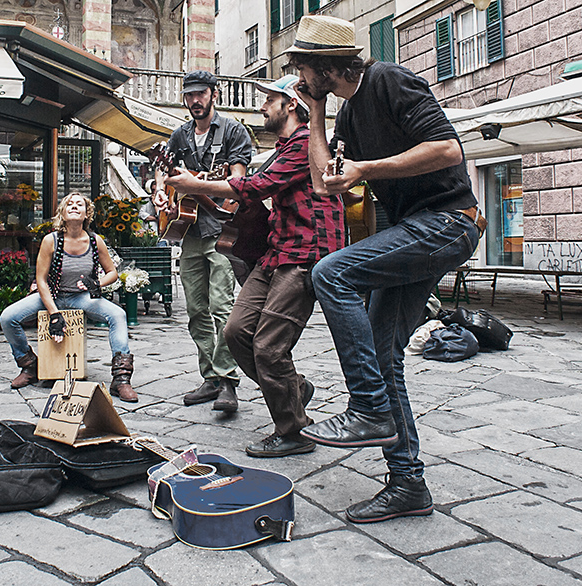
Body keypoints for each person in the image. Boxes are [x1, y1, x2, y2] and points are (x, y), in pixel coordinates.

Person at [287, 15, 484, 522]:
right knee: (382, 353)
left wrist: (367, 169)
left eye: (301, 69)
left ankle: (369, 408)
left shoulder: (389, 80)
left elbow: (448, 149)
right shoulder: (347, 115)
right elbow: (326, 180)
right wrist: (314, 113)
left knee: (332, 273)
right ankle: (408, 485)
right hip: (415, 229)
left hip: (447, 222)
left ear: (324, 65)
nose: (296, 77)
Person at [164, 75, 345, 456]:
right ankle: (294, 390)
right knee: (236, 333)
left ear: (290, 104)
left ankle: (294, 432)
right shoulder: (281, 148)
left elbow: (255, 187)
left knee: (267, 347)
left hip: (304, 254)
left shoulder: (307, 145)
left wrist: (197, 188)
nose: (262, 107)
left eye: (269, 101)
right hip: (275, 252)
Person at [153, 70, 253, 411]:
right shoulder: (180, 134)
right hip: (189, 230)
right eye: (190, 95)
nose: (195, 100)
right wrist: (160, 193)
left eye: (201, 94)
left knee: (222, 306)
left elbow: (238, 182)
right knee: (196, 309)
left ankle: (228, 381)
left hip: (223, 229)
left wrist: (198, 185)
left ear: (214, 93)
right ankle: (209, 377)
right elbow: (163, 169)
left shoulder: (233, 131)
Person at [0, 192, 138, 402]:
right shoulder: (50, 241)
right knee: (7, 317)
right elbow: (41, 281)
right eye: (69, 204)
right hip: (51, 295)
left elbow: (113, 273)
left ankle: (121, 379)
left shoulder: (95, 241)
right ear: (63, 213)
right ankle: (29, 366)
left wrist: (96, 283)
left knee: (118, 315)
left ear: (86, 214)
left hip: (80, 297)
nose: (74, 207)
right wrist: (54, 314)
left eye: (79, 204)